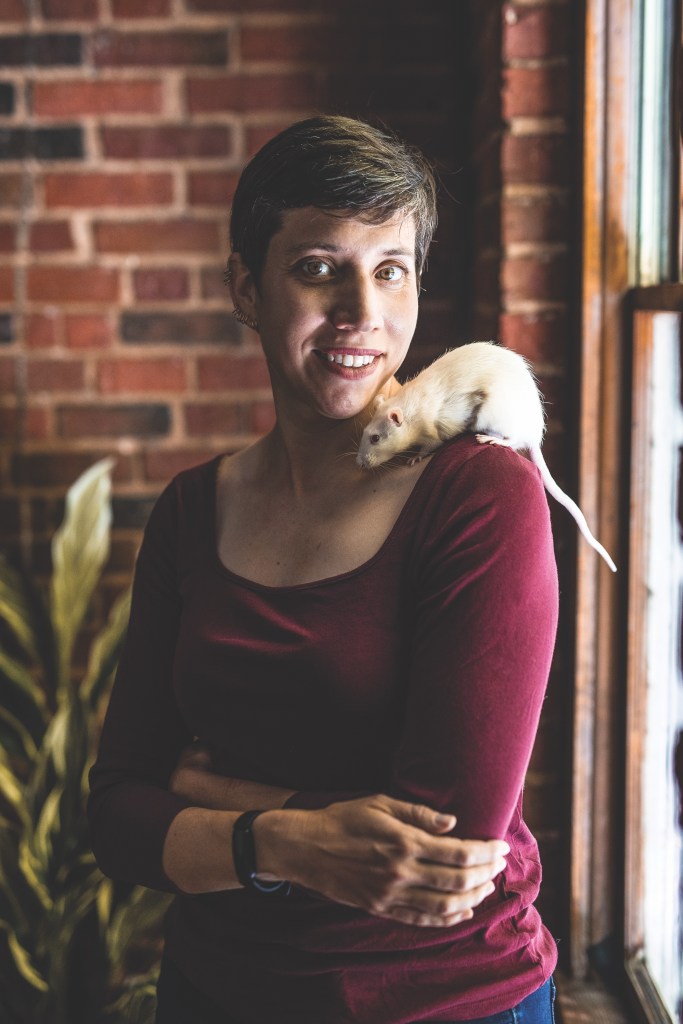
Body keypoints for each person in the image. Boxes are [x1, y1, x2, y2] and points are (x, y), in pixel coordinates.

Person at [88, 115, 559, 1024]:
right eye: (316, 267)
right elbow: (115, 817)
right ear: (245, 288)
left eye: (390, 270)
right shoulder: (190, 512)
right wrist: (289, 844)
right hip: (211, 995)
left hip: (449, 1001)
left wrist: (207, 793)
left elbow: (445, 852)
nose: (360, 315)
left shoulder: (478, 494)